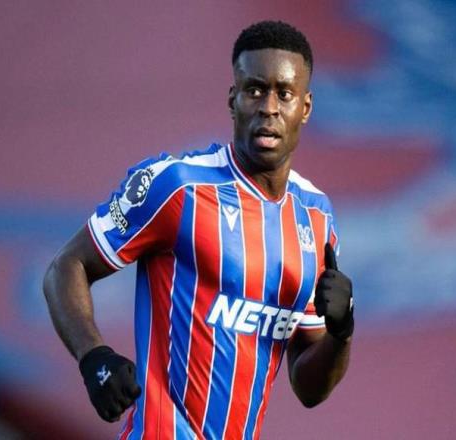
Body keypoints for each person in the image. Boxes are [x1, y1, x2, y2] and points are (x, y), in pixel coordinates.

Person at [43, 20, 354, 440]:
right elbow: (66, 267)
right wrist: (93, 356)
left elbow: (309, 387)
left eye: (284, 93)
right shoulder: (178, 186)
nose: (269, 107)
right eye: (254, 90)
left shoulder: (317, 218)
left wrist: (341, 333)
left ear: (306, 107)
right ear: (233, 100)